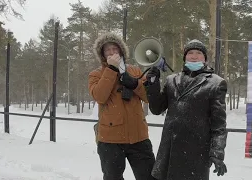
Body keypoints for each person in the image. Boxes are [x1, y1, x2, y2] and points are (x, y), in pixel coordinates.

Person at [144, 39, 228, 180]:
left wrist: (217, 152)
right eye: (190, 53)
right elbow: (157, 109)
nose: (194, 56)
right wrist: (152, 83)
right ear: (185, 57)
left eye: (199, 53)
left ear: (205, 58)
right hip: (169, 151)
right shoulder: (171, 80)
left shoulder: (216, 83)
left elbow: (219, 124)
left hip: (196, 151)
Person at [88, 32, 156, 180]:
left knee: (149, 176)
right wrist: (111, 70)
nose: (112, 52)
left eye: (115, 48)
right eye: (107, 50)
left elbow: (148, 97)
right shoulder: (96, 74)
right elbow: (100, 96)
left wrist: (135, 83)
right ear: (102, 54)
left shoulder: (135, 71)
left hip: (139, 137)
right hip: (109, 140)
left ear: (121, 50)